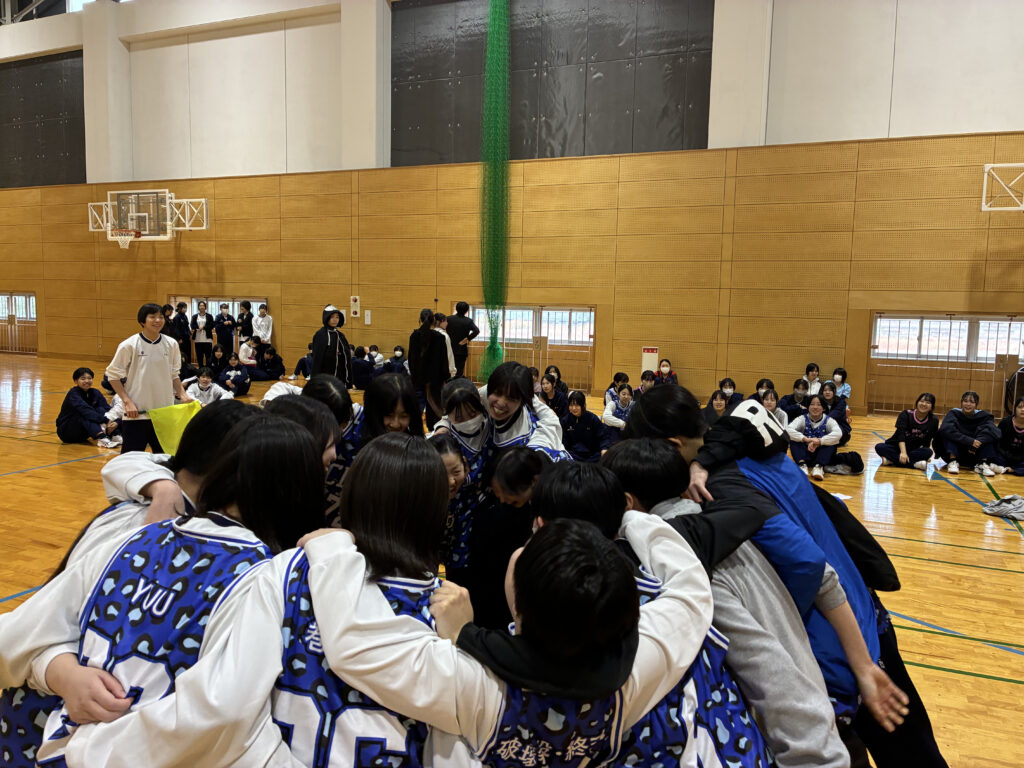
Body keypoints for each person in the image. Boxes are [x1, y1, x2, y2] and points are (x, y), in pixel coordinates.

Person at [6, 414, 326, 767]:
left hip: (50, 743)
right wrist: (64, 680)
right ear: (301, 492)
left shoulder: (138, 536)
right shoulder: (269, 577)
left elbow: (16, 633)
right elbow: (221, 715)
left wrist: (58, 672)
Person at [299, 506, 716, 768]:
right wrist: (636, 519)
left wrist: (334, 550)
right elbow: (691, 594)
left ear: (519, 609)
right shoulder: (635, 672)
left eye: (528, 546)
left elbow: (353, 646)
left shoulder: (475, 686)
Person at [600, 439, 854, 768]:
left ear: (627, 503)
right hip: (814, 711)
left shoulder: (693, 566)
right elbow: (819, 570)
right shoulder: (724, 525)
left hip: (800, 741)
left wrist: (817, 756)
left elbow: (768, 668)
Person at [532, 460, 780, 768]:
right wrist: (632, 518)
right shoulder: (678, 590)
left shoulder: (558, 633)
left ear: (540, 525)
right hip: (743, 751)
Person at [105, 303, 191, 453]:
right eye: (152, 317)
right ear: (142, 321)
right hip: (136, 413)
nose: (158, 320)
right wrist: (127, 401)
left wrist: (183, 394)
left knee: (165, 458)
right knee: (131, 459)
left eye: (161, 317)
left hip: (164, 413)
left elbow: (174, 374)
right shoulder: (129, 345)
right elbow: (112, 376)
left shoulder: (171, 344)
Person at [938, 391, 1001, 475]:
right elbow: (945, 429)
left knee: (989, 435)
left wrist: (977, 442)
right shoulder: (953, 413)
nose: (968, 404)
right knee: (946, 433)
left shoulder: (984, 416)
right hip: (956, 453)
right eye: (965, 401)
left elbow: (995, 432)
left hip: (975, 454)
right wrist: (970, 441)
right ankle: (953, 462)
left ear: (976, 404)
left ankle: (982, 464)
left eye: (972, 402)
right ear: (961, 403)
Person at [56, 367, 121, 447]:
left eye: (89, 378)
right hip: (67, 431)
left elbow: (107, 409)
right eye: (83, 379)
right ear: (76, 381)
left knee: (100, 409)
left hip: (84, 434)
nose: (87, 381)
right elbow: (85, 410)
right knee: (85, 413)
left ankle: (114, 434)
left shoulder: (95, 392)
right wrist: (106, 420)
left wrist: (116, 422)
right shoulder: (73, 394)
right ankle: (102, 438)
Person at [408, 308, 450, 430]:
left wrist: (414, 376)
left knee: (416, 408)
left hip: (418, 378)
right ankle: (434, 432)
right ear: (434, 321)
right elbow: (444, 360)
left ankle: (414, 433)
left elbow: (411, 359)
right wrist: (446, 378)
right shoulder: (439, 337)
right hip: (435, 379)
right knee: (435, 410)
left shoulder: (414, 336)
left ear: (420, 320)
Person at [875, 393, 938, 471]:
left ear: (932, 406)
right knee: (879, 447)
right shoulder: (905, 414)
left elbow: (928, 440)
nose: (924, 404)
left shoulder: (934, 420)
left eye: (928, 402)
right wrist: (903, 453)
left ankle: (892, 460)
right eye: (921, 401)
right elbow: (900, 435)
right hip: (897, 447)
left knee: (928, 452)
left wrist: (925, 455)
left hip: (913, 450)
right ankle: (914, 464)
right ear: (917, 402)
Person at [787, 395, 843, 480]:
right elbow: (788, 430)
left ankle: (819, 467)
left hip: (821, 455)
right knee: (794, 439)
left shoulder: (829, 420)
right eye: (812, 404)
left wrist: (819, 441)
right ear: (808, 407)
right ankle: (802, 465)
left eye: (819, 405)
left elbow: (838, 433)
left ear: (823, 408)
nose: (815, 407)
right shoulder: (802, 418)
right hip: (805, 454)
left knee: (832, 442)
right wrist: (806, 439)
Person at [361, 371, 424, 442]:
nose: (395, 424)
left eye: (404, 416)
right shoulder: (361, 445)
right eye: (388, 415)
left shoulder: (415, 444)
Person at [560, 390, 612, 462]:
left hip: (593, 455)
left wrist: (604, 448)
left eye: (577, 405)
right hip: (574, 456)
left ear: (583, 405)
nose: (574, 408)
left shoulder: (592, 418)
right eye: (571, 405)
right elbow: (563, 441)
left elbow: (603, 437)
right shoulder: (565, 421)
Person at [310, 304, 352, 387]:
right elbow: (317, 359)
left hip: (339, 376)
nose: (335, 320)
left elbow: (346, 357)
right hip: (325, 376)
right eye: (332, 317)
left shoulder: (340, 335)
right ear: (326, 318)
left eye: (337, 317)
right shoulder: (320, 335)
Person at [446, 301, 480, 377]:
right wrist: (467, 338)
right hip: (461, 350)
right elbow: (477, 331)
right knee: (459, 372)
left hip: (449, 348)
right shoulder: (468, 321)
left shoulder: (448, 319)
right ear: (466, 310)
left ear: (456, 308)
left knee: (448, 371)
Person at [996, 397, 1024, 474]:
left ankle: (1012, 470)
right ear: (1015, 409)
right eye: (1020, 407)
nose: (1023, 410)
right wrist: (1006, 455)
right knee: (993, 456)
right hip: (1004, 456)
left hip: (1021, 459)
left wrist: (1019, 458)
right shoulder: (1005, 422)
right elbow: (997, 442)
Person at [821, 381, 852, 446]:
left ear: (834, 392)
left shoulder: (841, 402)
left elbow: (834, 415)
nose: (827, 392)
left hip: (840, 427)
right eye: (825, 390)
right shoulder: (820, 401)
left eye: (830, 390)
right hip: (824, 426)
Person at [190, 300, 213, 366]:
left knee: (208, 356)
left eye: (203, 305)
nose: (202, 307)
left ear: (205, 307)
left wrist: (203, 327)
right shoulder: (194, 316)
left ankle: (208, 370)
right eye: (200, 305)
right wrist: (197, 327)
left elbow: (212, 325)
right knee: (199, 356)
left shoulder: (209, 316)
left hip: (207, 339)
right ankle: (200, 370)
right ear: (198, 307)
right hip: (198, 339)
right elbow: (192, 325)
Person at [434, 312, 457, 380]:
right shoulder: (444, 336)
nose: (447, 323)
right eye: (446, 321)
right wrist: (452, 371)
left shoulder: (429, 334)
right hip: (442, 370)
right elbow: (449, 354)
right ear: (440, 322)